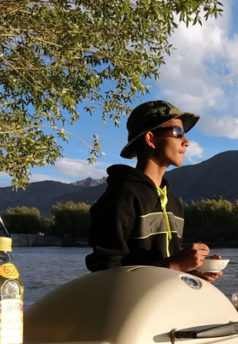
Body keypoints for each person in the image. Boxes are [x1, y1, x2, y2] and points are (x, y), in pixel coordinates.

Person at [85, 100, 222, 282]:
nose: (187, 142)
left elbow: (165, 269)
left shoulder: (174, 203)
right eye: (178, 132)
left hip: (166, 306)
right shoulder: (120, 197)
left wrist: (191, 273)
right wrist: (173, 265)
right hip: (133, 310)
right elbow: (105, 275)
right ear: (150, 139)